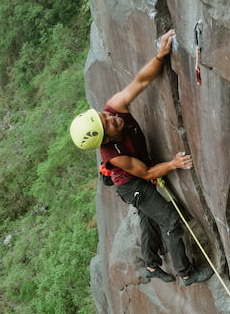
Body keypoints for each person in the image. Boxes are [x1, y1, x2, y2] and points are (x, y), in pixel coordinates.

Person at [70, 29, 213, 286]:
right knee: (169, 220)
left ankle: (150, 264)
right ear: (105, 140)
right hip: (132, 185)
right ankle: (187, 273)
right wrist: (172, 164)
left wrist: (159, 57)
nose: (112, 118)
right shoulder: (113, 156)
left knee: (149, 217)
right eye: (108, 125)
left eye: (105, 116)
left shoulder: (114, 108)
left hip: (139, 176)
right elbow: (146, 174)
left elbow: (140, 82)